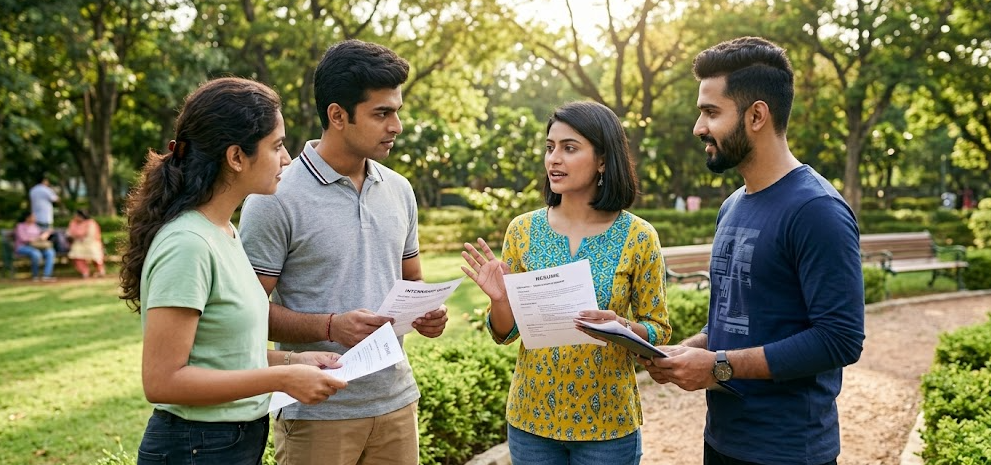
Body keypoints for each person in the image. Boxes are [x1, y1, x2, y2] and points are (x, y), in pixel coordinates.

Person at [641, 37, 865, 465]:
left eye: (710, 112)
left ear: (757, 114)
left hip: (788, 452)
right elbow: (738, 321)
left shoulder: (816, 210)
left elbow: (840, 339)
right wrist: (686, 352)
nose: (698, 127)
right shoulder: (732, 205)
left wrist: (719, 365)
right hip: (723, 441)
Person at [238, 39, 448, 465]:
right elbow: (245, 315)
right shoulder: (275, 196)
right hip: (317, 412)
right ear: (337, 115)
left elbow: (413, 283)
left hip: (396, 404)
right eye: (382, 113)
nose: (397, 126)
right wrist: (332, 326)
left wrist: (428, 313)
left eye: (397, 111)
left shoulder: (400, 190)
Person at [118, 77, 348, 465]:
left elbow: (224, 356)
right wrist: (281, 379)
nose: (287, 159)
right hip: (195, 448)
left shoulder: (225, 231)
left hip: (230, 442)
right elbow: (162, 381)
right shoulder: (187, 243)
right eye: (276, 145)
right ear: (236, 157)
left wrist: (295, 361)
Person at [460, 101, 671, 464]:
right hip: (531, 420)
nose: (554, 159)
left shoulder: (638, 236)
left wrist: (623, 326)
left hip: (607, 424)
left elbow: (659, 330)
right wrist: (500, 300)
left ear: (603, 160)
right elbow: (505, 334)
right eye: (550, 147)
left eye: (569, 148)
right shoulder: (522, 230)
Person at [14, 211, 57, 282]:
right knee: (36, 254)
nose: (34, 218)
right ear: (27, 218)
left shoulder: (35, 226)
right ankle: (35, 275)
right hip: (23, 247)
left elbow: (40, 237)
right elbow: (24, 239)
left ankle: (46, 275)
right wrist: (38, 238)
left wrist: (46, 234)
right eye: (33, 216)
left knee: (50, 252)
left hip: (37, 246)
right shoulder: (20, 226)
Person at [67, 209, 106, 278]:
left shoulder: (91, 223)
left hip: (91, 242)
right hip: (77, 243)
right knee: (76, 253)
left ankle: (100, 270)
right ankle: (85, 272)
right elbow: (69, 234)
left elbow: (92, 235)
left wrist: (84, 240)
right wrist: (75, 238)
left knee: (94, 252)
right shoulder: (73, 223)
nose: (75, 217)